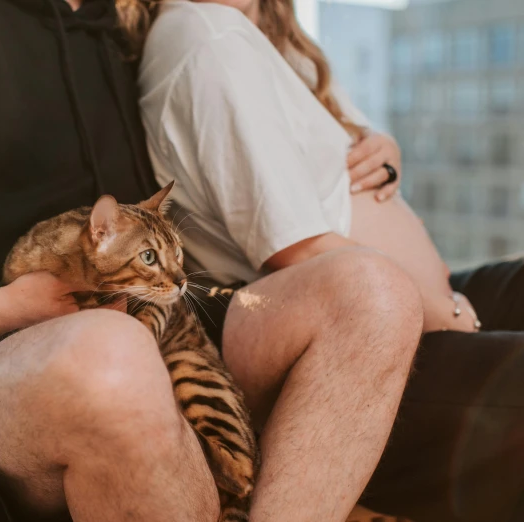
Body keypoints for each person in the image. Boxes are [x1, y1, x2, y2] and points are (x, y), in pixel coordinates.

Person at [0, 0, 423, 521]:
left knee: (371, 290)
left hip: (155, 330)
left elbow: (270, 92)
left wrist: (367, 140)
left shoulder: (130, 31)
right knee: (108, 353)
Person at [137, 0, 524, 520]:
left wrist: (383, 149)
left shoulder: (271, 37)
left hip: (426, 299)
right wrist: (456, 314)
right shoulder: (207, 35)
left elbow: (354, 150)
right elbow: (296, 248)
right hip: (368, 336)